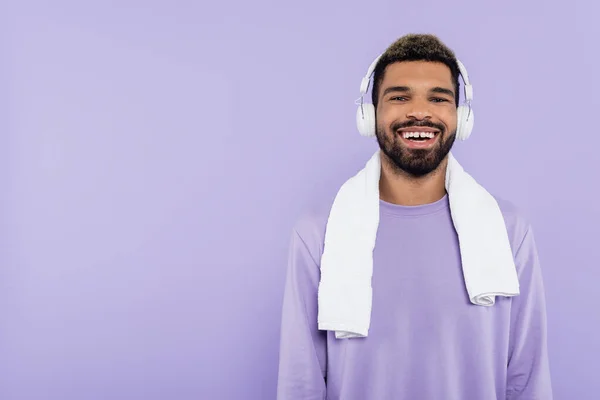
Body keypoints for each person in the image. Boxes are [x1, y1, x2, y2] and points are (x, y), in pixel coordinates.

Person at [276, 33, 553, 399]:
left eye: (438, 98)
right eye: (399, 97)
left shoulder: (509, 230)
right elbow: (301, 381)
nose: (419, 111)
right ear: (369, 114)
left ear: (462, 117)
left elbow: (528, 377)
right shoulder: (317, 233)